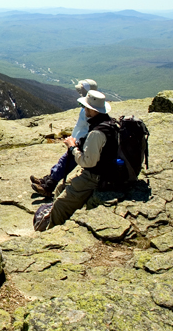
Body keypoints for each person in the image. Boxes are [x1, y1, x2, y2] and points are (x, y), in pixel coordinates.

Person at [33, 90, 118, 231]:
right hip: (101, 172)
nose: (84, 109)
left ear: (92, 109)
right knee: (60, 188)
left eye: (86, 107)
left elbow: (88, 162)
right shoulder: (107, 124)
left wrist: (72, 148)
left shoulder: (97, 132)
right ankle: (55, 215)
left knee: (61, 203)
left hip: (94, 177)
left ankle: (51, 231)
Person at [30, 79, 98, 197]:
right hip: (78, 140)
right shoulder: (90, 107)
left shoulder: (91, 110)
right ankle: (47, 180)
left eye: (82, 90)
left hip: (80, 143)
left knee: (65, 163)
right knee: (64, 162)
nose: (79, 92)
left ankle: (48, 186)